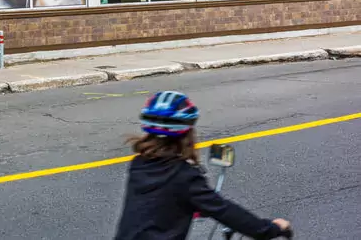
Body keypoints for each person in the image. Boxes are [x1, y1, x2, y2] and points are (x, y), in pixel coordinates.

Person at [114, 91, 292, 240]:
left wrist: (194, 205)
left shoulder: (139, 164)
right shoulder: (185, 176)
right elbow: (225, 211)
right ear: (188, 133)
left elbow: (153, 204)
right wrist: (272, 228)